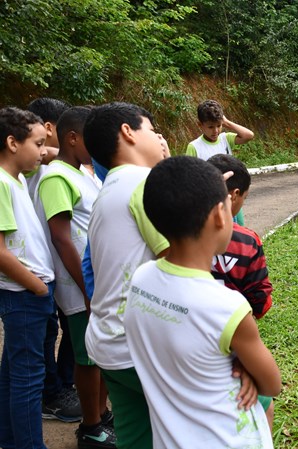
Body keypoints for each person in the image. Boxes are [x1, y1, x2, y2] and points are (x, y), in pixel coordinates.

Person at [127, 156, 281, 448]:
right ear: (220, 216)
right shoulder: (227, 306)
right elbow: (272, 384)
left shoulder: (140, 278)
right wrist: (245, 369)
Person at [83, 102, 170, 449]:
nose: (158, 137)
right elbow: (181, 263)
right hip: (141, 347)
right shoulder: (144, 183)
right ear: (128, 131)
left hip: (107, 343)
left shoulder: (109, 189)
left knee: (136, 435)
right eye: (151, 129)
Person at [33, 106, 116, 448]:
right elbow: (61, 237)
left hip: (95, 281)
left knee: (101, 353)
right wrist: (86, 287)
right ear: (71, 137)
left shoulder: (82, 173)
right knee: (87, 356)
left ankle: (100, 413)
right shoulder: (56, 177)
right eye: (90, 140)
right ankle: (90, 426)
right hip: (78, 286)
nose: (96, 148)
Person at [0, 107, 56, 449]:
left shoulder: (16, 177)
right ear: (11, 142)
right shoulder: (2, 183)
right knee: (28, 378)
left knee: (12, 374)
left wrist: (42, 143)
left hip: (26, 291)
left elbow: (51, 152)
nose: (43, 150)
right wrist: (36, 286)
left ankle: (9, 440)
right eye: (36, 143)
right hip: (24, 291)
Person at [207, 153, 276, 427]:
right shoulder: (247, 241)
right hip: (234, 338)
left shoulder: (170, 239)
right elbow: (261, 299)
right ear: (234, 195)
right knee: (264, 403)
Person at [26, 98, 84, 425]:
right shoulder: (34, 161)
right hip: (40, 267)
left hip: (54, 265)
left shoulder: (55, 165)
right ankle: (51, 394)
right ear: (51, 129)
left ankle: (64, 384)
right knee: (47, 332)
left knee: (69, 327)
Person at [186, 100, 254, 226]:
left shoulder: (225, 139)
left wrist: (227, 122)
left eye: (219, 125)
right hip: (212, 201)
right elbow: (189, 178)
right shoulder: (194, 147)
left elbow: (248, 135)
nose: (216, 131)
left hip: (232, 197)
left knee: (239, 230)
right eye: (211, 127)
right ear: (200, 125)